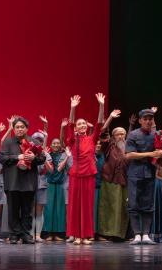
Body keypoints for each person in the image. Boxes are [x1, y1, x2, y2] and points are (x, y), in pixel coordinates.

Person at [64, 94, 109, 244]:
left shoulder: (92, 138)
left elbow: (99, 123)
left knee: (87, 205)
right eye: (80, 124)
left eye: (84, 123)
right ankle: (77, 235)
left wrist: (101, 105)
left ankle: (86, 235)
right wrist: (72, 108)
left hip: (89, 174)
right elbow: (70, 125)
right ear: (76, 128)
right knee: (75, 205)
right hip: (76, 175)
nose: (82, 125)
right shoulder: (72, 139)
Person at [0, 117, 46, 244]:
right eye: (17, 127)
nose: (20, 129)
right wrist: (17, 157)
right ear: (14, 129)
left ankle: (26, 234)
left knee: (27, 210)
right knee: (13, 210)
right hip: (12, 181)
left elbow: (42, 158)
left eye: (22, 127)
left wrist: (34, 157)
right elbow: (2, 158)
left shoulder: (34, 142)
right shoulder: (8, 142)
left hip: (29, 182)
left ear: (27, 128)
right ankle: (14, 234)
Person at [125, 109, 162, 244]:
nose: (148, 121)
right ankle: (137, 234)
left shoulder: (156, 135)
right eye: (145, 119)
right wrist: (150, 154)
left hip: (150, 173)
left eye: (150, 119)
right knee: (133, 203)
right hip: (135, 173)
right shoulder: (133, 134)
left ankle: (146, 235)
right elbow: (129, 155)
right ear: (140, 120)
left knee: (148, 204)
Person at [97, 113, 129, 241]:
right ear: (113, 136)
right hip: (110, 180)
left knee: (123, 208)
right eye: (118, 134)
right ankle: (107, 233)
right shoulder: (109, 145)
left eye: (122, 134)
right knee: (109, 206)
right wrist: (110, 118)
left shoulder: (129, 146)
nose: (120, 136)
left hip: (125, 180)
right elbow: (103, 132)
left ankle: (120, 234)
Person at [43, 136, 71, 241]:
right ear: (51, 145)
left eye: (58, 143)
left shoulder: (64, 155)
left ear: (60, 145)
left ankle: (59, 233)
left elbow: (64, 168)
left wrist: (67, 156)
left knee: (60, 209)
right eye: (54, 143)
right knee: (49, 209)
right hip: (50, 183)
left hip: (61, 184)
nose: (56, 145)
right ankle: (48, 233)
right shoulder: (47, 155)